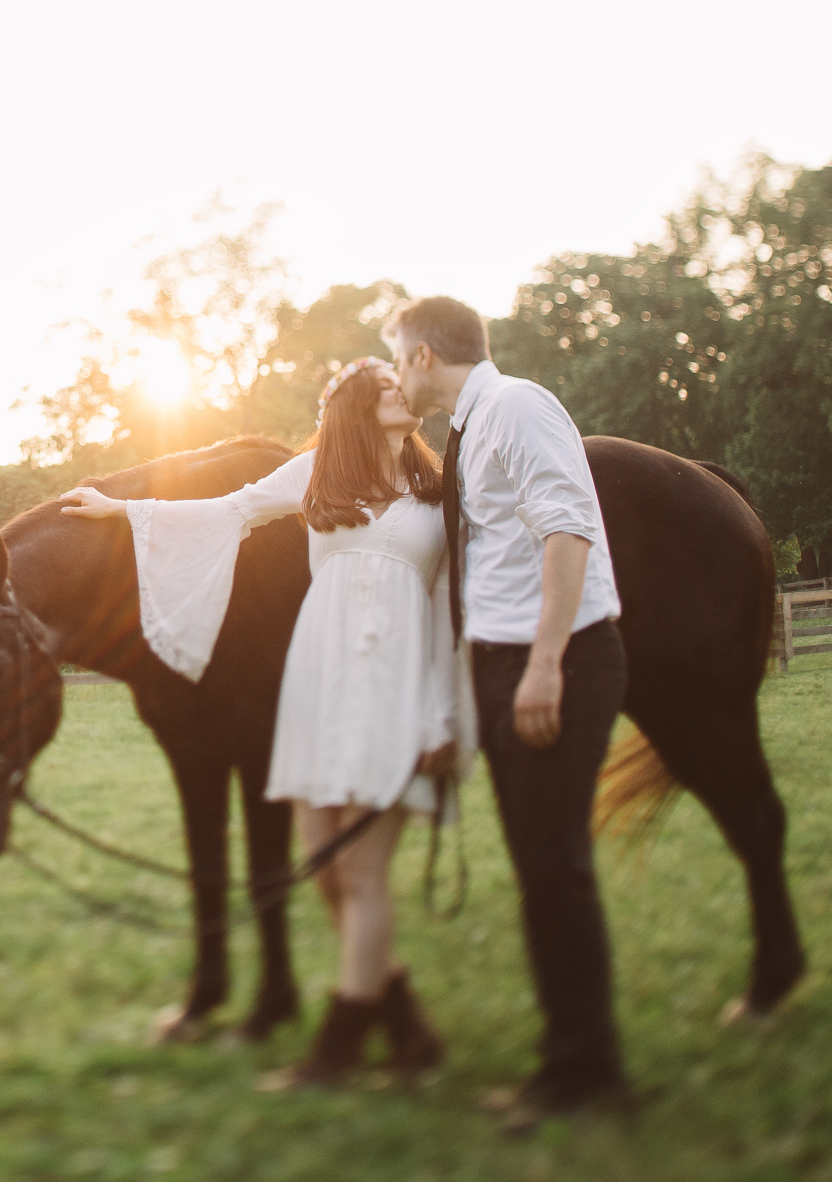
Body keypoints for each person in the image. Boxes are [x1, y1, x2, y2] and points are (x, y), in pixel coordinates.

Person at [59, 358, 475, 1087]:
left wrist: (444, 714)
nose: (404, 392)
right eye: (386, 387)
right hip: (318, 682)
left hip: (396, 688)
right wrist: (123, 510)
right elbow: (228, 509)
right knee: (322, 866)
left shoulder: (439, 491)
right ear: (355, 408)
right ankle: (406, 1025)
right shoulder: (318, 475)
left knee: (361, 870)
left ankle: (338, 1049)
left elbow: (450, 609)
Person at [384, 295, 633, 1132]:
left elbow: (568, 530)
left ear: (424, 355)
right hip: (504, 665)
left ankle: (584, 1070)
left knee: (554, 863)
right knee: (539, 865)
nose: (396, 373)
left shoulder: (518, 406)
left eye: (398, 356)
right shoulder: (471, 426)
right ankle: (573, 1058)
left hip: (553, 660)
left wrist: (546, 663)